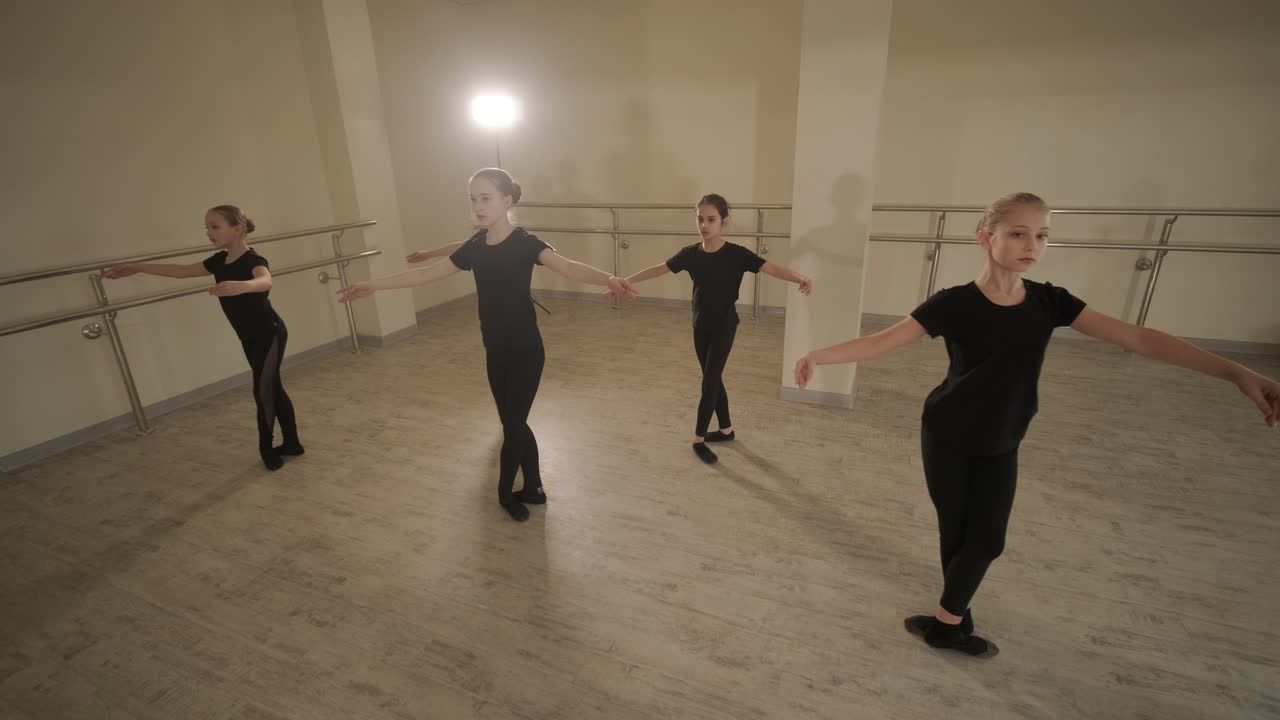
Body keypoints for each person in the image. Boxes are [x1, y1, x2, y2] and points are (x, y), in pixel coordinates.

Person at [794, 191, 1280, 657]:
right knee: (959, 535)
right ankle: (950, 621)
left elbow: (1139, 339)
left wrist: (1236, 371)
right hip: (947, 435)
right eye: (1020, 234)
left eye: (1042, 236)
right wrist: (819, 355)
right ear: (986, 237)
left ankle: (949, 617)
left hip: (1004, 436)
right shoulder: (953, 302)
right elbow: (883, 342)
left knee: (988, 539)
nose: (1033, 247)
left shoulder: (1050, 302)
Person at [338, 168, 638, 522]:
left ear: (507, 201)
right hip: (495, 350)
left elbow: (569, 267)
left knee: (513, 425)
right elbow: (425, 274)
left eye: (486, 198)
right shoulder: (475, 247)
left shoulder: (526, 243)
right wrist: (374, 285)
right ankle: (534, 486)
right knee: (514, 422)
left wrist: (611, 279)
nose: (478, 206)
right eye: (473, 199)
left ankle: (504, 494)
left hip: (527, 350)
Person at [612, 194, 812, 464]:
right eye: (700, 219)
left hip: (725, 326)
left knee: (709, 381)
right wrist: (623, 281)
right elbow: (659, 269)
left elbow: (771, 268)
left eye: (711, 219)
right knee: (713, 377)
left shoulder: (737, 254)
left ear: (724, 222)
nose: (704, 225)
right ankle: (726, 429)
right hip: (699, 325)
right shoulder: (691, 254)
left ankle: (698, 438)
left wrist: (799, 277)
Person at [104, 205, 303, 470]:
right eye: (207, 227)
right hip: (249, 336)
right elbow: (180, 271)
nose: (209, 232)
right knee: (272, 389)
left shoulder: (253, 261)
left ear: (238, 228)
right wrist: (137, 267)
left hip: (270, 333)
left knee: (263, 391)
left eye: (215, 226)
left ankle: (267, 450)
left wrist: (242, 286)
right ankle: (292, 444)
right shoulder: (218, 261)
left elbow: (265, 281)